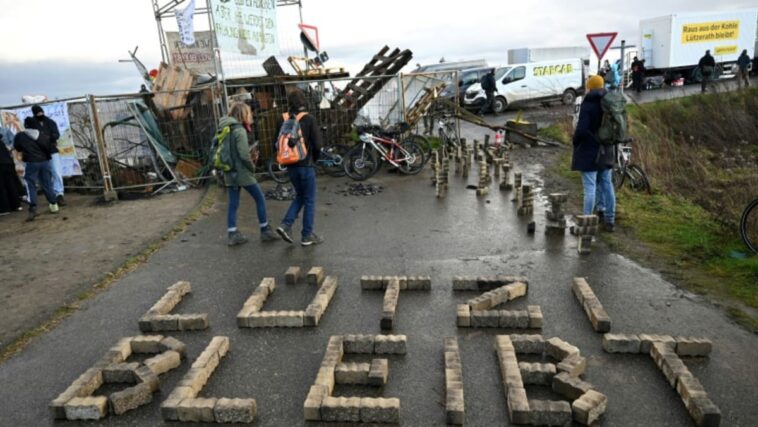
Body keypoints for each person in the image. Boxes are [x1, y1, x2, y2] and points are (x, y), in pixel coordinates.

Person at [220, 102, 277, 246]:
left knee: (233, 203)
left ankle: (232, 233)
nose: (250, 116)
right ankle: (265, 230)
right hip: (242, 173)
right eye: (248, 113)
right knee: (260, 198)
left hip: (229, 171)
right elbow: (244, 155)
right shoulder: (239, 131)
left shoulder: (224, 127)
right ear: (243, 115)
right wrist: (251, 167)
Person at [275, 88, 324, 246]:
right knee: (309, 199)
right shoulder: (309, 119)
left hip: (290, 164)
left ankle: (286, 225)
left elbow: (276, 143)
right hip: (305, 164)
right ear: (304, 101)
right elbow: (317, 145)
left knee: (300, 196)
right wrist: (314, 160)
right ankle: (307, 235)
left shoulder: (281, 118)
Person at [571, 75, 616, 232]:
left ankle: (586, 222)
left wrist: (575, 142)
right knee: (606, 184)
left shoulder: (588, 103)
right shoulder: (609, 101)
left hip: (590, 149)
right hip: (607, 148)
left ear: (590, 87)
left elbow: (582, 130)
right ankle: (609, 220)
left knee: (589, 187)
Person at [13, 117, 59, 221]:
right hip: (45, 162)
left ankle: (33, 208)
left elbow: (17, 147)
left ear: (25, 125)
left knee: (30, 184)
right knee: (47, 183)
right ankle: (54, 204)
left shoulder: (20, 136)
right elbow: (49, 147)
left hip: (31, 162)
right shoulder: (43, 135)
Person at [31, 105, 65, 206]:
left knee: (56, 172)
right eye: (38, 114)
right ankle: (51, 196)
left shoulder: (50, 122)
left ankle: (59, 194)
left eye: (41, 112)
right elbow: (31, 136)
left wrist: (47, 138)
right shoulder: (32, 123)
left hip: (52, 150)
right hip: (40, 153)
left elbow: (56, 134)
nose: (40, 115)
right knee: (45, 175)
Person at [0, 127, 21, 215]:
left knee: (1, 187)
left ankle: (4, 209)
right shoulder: (2, 143)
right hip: (8, 164)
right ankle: (16, 205)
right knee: (11, 185)